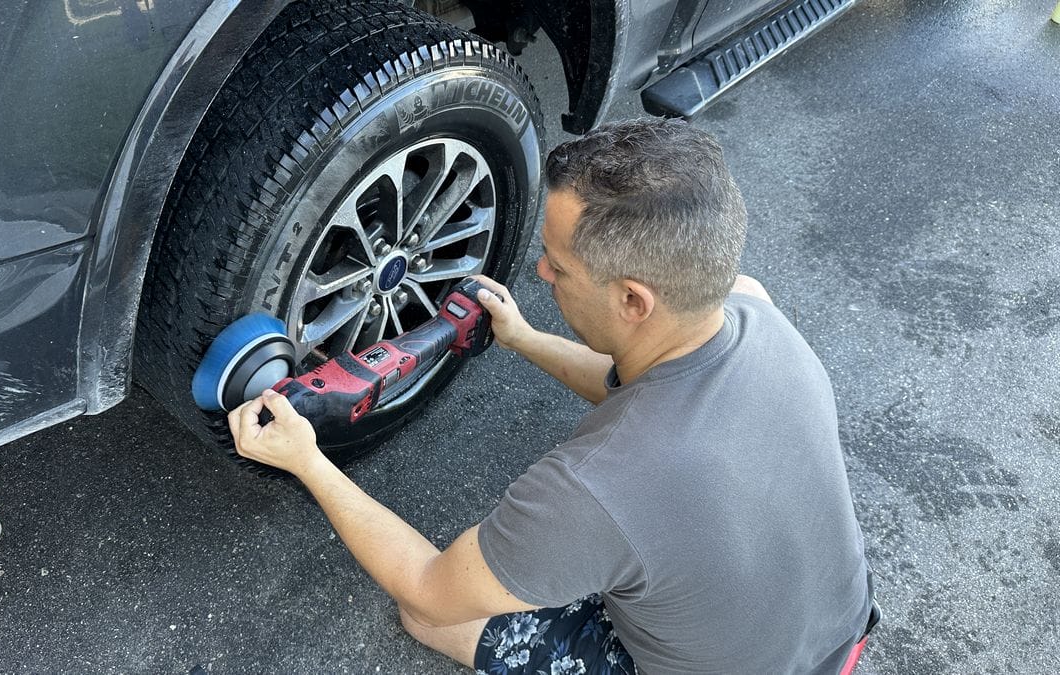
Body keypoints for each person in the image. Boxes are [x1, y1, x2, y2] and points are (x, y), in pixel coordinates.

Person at [227, 117, 874, 674]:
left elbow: (425, 587)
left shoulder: (594, 488)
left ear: (633, 300)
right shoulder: (754, 311)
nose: (540, 272)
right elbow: (634, 379)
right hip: (834, 631)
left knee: (428, 616)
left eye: (558, 266)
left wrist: (307, 459)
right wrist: (524, 339)